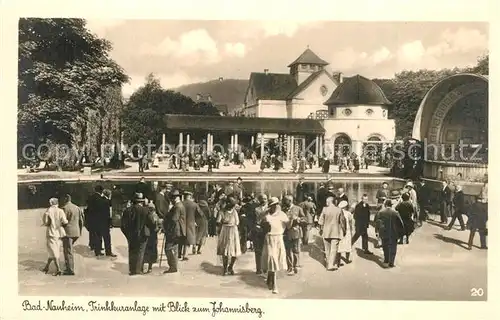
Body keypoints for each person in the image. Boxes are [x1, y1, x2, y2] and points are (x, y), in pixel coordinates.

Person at [120, 193, 155, 276]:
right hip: (143, 234)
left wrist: (127, 234)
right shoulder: (146, 210)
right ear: (141, 201)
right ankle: (137, 270)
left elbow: (123, 225)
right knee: (140, 252)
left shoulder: (127, 210)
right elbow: (152, 222)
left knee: (132, 251)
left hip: (131, 235)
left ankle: (132, 270)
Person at [261, 197, 288, 294]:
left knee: (276, 260)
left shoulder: (282, 214)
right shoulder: (266, 214)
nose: (275, 206)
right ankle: (274, 285)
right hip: (269, 238)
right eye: (272, 205)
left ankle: (272, 280)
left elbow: (288, 224)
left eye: (276, 204)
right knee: (272, 259)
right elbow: (261, 224)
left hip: (278, 239)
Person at [42, 198, 68, 276]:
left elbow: (46, 223)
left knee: (53, 251)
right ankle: (47, 267)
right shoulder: (61, 211)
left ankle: (58, 269)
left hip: (51, 233)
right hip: (59, 233)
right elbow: (65, 221)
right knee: (54, 250)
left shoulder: (48, 211)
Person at [318, 196, 345, 271]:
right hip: (335, 232)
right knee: (334, 249)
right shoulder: (339, 210)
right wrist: (344, 231)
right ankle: (331, 265)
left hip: (326, 232)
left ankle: (328, 264)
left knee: (327, 249)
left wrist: (321, 229)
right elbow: (342, 221)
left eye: (327, 202)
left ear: (329, 202)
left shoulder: (324, 209)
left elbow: (320, 221)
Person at [375, 200, 404, 268]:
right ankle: (391, 262)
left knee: (385, 247)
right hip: (394, 232)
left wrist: (377, 231)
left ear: (385, 205)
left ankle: (386, 260)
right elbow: (401, 223)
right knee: (393, 248)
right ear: (391, 205)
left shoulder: (381, 212)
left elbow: (377, 222)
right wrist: (401, 233)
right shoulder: (395, 212)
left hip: (384, 232)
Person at [216, 196, 241, 276]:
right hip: (225, 231)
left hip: (233, 231)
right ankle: (225, 268)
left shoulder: (234, 212)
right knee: (225, 251)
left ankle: (231, 266)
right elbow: (218, 221)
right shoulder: (222, 211)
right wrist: (223, 222)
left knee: (234, 250)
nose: (232, 206)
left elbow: (237, 222)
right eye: (230, 204)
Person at [60, 194, 84, 276]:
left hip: (67, 232)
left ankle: (70, 269)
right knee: (69, 249)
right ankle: (68, 265)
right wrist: (80, 231)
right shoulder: (77, 207)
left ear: (66, 199)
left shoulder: (64, 208)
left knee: (68, 251)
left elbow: (62, 221)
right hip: (76, 232)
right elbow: (81, 220)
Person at [282, 195, 306, 275]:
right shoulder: (283, 209)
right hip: (286, 232)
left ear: (290, 201)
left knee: (295, 250)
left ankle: (295, 266)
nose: (284, 202)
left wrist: (298, 220)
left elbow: (304, 219)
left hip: (295, 232)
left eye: (286, 200)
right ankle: (290, 267)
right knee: (288, 251)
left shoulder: (298, 208)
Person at [162, 190, 184, 273]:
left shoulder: (177, 207)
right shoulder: (179, 205)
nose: (171, 199)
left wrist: (167, 229)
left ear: (175, 198)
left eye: (172, 198)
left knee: (168, 249)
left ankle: (173, 266)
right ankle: (173, 266)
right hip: (177, 231)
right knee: (174, 249)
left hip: (173, 231)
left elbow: (174, 219)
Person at [250, 194, 268, 274]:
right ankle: (258, 269)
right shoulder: (255, 209)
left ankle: (266, 268)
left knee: (267, 251)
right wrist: (254, 226)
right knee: (258, 251)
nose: (264, 200)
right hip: (257, 232)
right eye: (262, 199)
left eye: (265, 199)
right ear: (259, 200)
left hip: (267, 231)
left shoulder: (270, 209)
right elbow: (251, 220)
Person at [143, 200, 161, 273]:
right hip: (152, 235)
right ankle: (149, 267)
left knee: (148, 251)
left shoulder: (148, 215)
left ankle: (147, 266)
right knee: (150, 251)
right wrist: (158, 228)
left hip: (149, 235)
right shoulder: (153, 215)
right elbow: (154, 224)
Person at [182, 191, 201, 257]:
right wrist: (195, 221)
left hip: (181, 223)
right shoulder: (194, 204)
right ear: (190, 196)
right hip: (191, 223)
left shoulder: (181, 203)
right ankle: (185, 254)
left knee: (181, 238)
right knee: (188, 239)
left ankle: (179, 254)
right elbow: (200, 214)